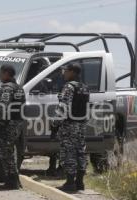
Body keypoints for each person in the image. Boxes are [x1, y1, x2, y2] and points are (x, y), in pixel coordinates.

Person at [0, 64, 26, 190]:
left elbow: (2, 106)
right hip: (17, 123)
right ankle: (14, 180)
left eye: (1, 72)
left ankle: (11, 181)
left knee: (5, 154)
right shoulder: (19, 88)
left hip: (8, 125)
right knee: (11, 153)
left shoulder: (7, 88)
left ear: (7, 73)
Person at [52, 63, 90, 192]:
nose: (64, 73)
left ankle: (69, 183)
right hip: (81, 124)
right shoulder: (84, 87)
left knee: (69, 152)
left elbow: (63, 107)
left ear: (72, 72)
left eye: (65, 71)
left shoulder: (69, 87)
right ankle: (80, 183)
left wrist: (55, 124)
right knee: (80, 152)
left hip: (69, 124)